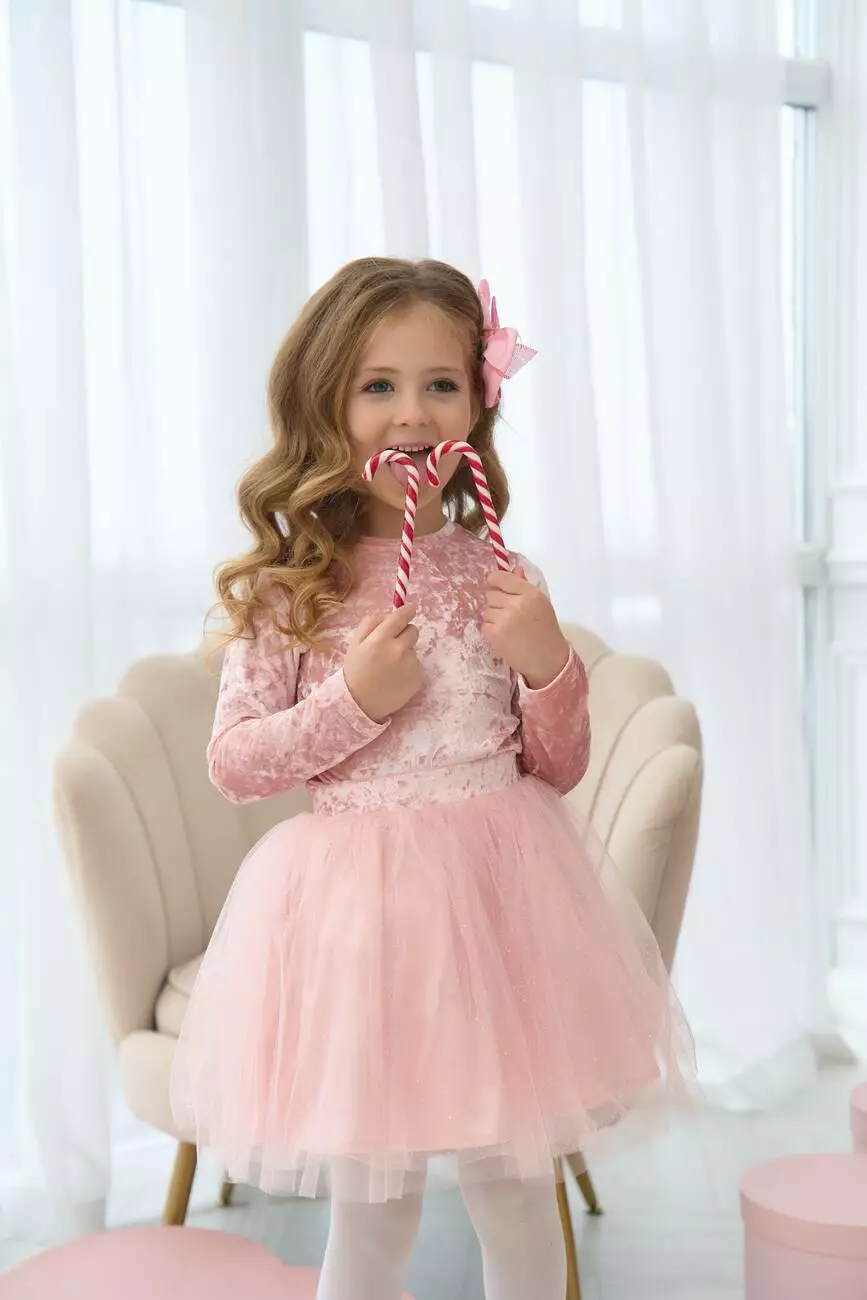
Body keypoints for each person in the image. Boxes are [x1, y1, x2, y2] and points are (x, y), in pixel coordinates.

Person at [170, 257, 695, 1300]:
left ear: (477, 401)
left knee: (516, 1196)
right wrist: (354, 700)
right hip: (361, 929)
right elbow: (236, 764)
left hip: (504, 905)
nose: (412, 413)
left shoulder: (504, 572)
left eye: (440, 383)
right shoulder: (290, 589)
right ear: (326, 403)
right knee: (376, 1214)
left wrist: (548, 664)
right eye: (379, 385)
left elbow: (556, 766)